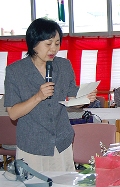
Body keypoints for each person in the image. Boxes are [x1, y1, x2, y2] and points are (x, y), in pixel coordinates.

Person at [4, 18, 97, 172]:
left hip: (61, 142)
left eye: (57, 43)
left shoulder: (64, 65)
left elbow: (73, 100)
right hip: (32, 144)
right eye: (48, 44)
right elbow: (13, 114)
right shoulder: (15, 71)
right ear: (34, 43)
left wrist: (85, 99)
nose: (53, 49)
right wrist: (38, 96)